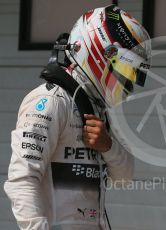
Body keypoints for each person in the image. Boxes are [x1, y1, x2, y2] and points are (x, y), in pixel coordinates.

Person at [4, 4, 151, 230]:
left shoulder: (97, 109)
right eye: (126, 69)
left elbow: (124, 176)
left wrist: (107, 146)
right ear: (102, 53)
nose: (127, 81)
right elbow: (21, 180)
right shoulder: (50, 102)